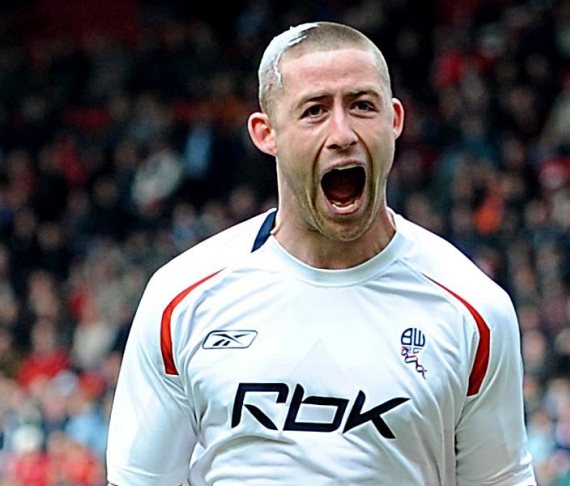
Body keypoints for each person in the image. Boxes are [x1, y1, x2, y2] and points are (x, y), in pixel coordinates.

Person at [106, 21, 537, 485]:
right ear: (266, 133)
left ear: (394, 120)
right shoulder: (181, 300)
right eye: (314, 110)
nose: (343, 133)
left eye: (362, 106)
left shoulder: (473, 310)